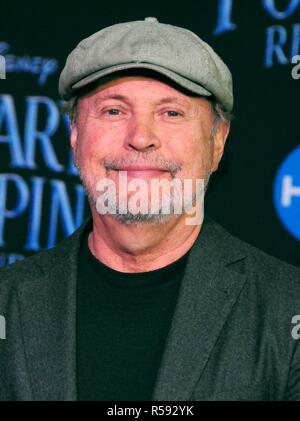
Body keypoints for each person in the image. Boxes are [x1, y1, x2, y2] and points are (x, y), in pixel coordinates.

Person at [0, 17, 300, 401]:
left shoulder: (287, 308)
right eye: (113, 111)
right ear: (75, 136)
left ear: (218, 142)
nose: (141, 138)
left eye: (171, 112)